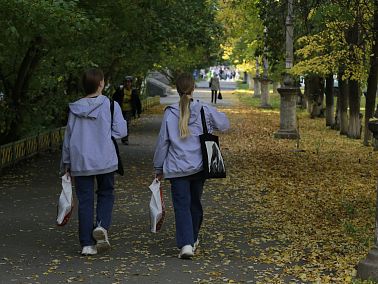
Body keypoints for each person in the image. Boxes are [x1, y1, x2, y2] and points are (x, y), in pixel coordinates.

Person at [153, 73, 230, 259]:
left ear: (177, 89)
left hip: (177, 167)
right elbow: (225, 125)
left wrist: (158, 168)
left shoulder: (170, 113)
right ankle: (192, 238)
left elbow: (163, 142)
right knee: (195, 203)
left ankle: (187, 243)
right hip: (199, 166)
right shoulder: (204, 109)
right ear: (193, 88)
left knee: (182, 205)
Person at [61, 68, 127, 256]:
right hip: (105, 159)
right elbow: (121, 132)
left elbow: (68, 137)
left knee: (85, 200)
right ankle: (101, 226)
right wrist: (105, 139)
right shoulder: (111, 105)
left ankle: (87, 245)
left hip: (80, 161)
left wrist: (66, 164)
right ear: (101, 84)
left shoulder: (75, 108)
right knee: (106, 193)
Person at [113, 76, 141, 144]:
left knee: (126, 123)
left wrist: (139, 111)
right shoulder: (120, 90)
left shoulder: (134, 91)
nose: (128, 83)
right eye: (126, 82)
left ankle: (125, 139)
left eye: (129, 82)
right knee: (119, 123)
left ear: (131, 83)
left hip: (129, 109)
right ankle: (116, 136)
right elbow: (114, 98)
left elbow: (137, 101)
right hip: (120, 109)